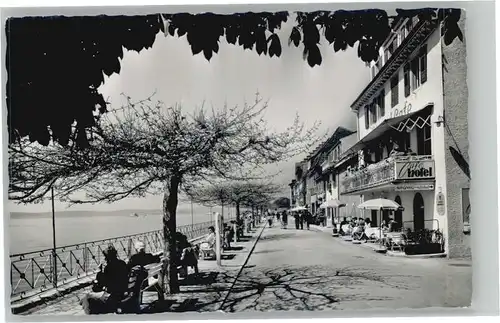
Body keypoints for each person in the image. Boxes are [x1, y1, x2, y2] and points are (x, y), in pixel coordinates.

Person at [81, 245, 129, 314]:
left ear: (106, 257)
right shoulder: (123, 263)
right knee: (86, 298)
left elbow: (100, 286)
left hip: (112, 298)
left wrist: (100, 272)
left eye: (105, 257)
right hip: (122, 294)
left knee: (87, 298)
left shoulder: (108, 268)